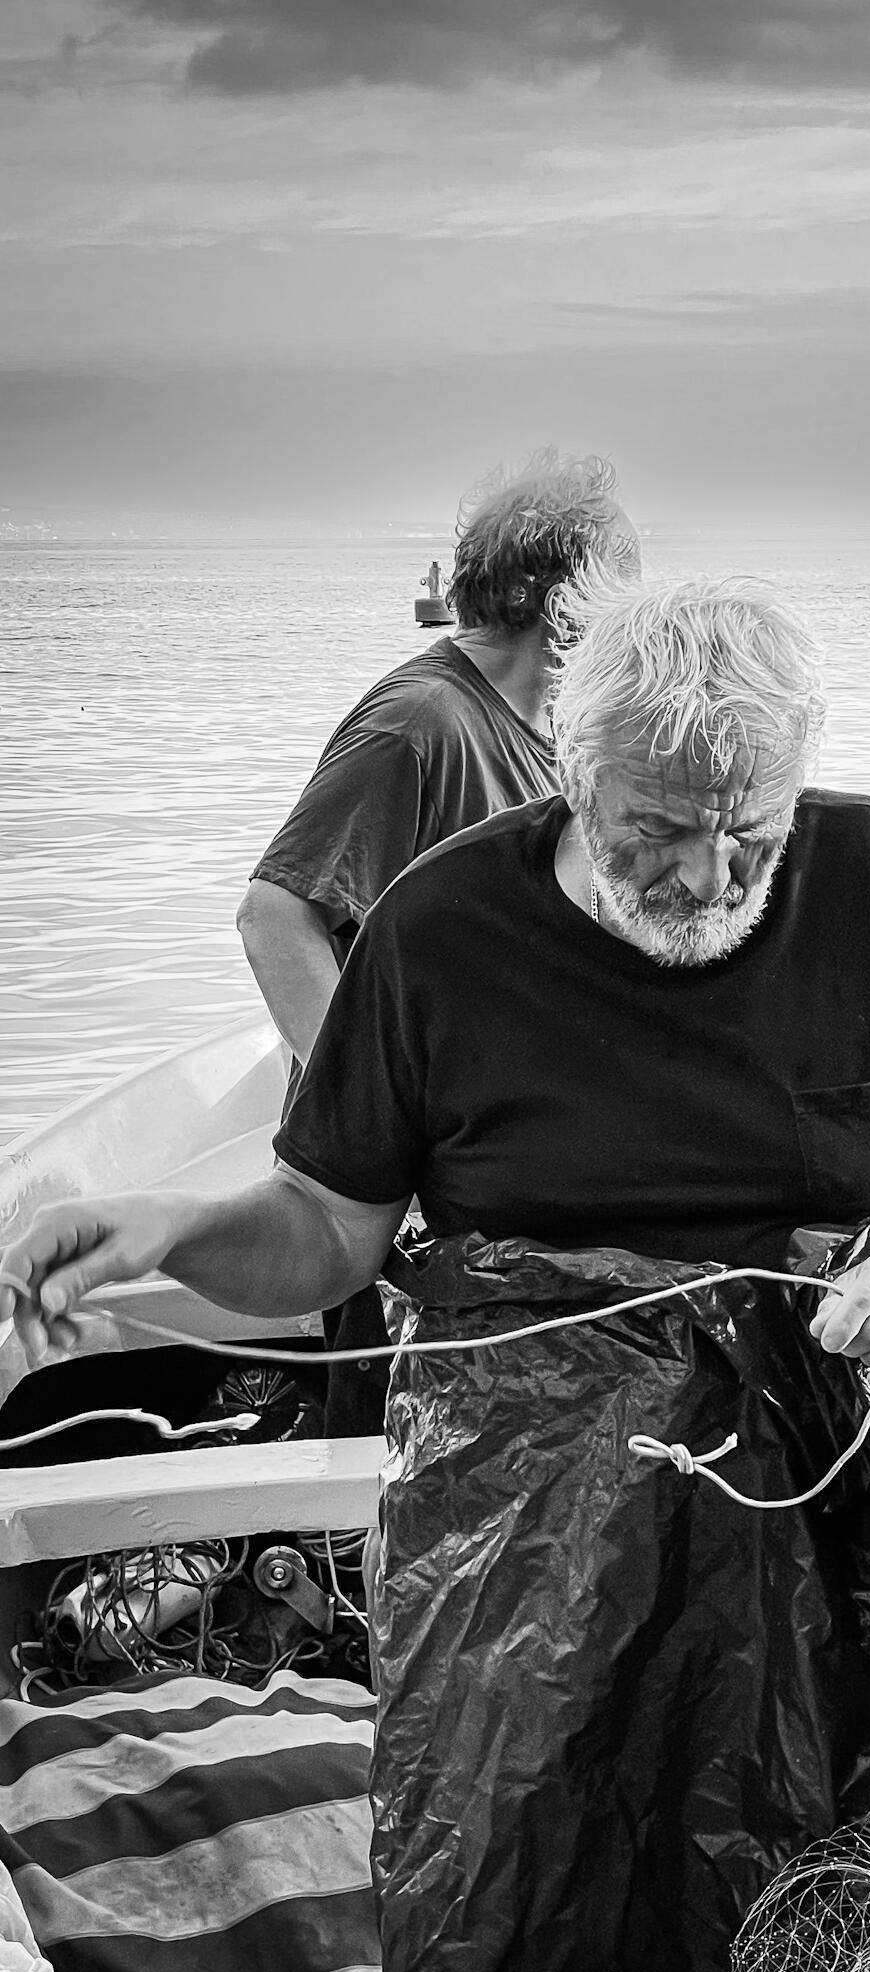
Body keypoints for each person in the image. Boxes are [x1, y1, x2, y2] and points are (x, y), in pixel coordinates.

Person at [0, 575, 870, 1972]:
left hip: (850, 1466)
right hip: (530, 1503)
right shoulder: (436, 931)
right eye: (659, 832)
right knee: (521, 1878)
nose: (710, 878)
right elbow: (325, 1232)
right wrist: (165, 1229)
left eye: (751, 833)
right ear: (570, 772)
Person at [236, 448, 640, 1432]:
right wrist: (384, 1123)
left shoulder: (552, 734)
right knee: (387, 1447)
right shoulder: (419, 725)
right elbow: (276, 919)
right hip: (395, 1193)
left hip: (496, 1168)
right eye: (625, 594)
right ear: (564, 603)